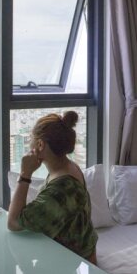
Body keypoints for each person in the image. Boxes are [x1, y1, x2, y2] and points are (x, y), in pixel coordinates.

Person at [7, 111, 98, 263]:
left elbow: (13, 222)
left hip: (73, 264)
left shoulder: (62, 188)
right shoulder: (68, 167)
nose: (29, 144)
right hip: (79, 256)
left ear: (40, 144)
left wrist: (25, 174)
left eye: (31, 139)